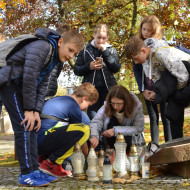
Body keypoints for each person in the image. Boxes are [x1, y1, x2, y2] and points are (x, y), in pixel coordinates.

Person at [0, 28, 84, 186]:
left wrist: (36, 111)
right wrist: (28, 109)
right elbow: (30, 79)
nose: (71, 56)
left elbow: (42, 85)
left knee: (32, 127)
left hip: (20, 86)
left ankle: (34, 170)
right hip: (9, 83)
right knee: (24, 126)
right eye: (70, 50)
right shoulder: (43, 47)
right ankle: (26, 174)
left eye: (75, 53)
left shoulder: (54, 58)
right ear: (60, 42)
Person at [125, 36, 190, 139]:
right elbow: (157, 79)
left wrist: (172, 92)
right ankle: (176, 145)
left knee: (177, 97)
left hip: (186, 71)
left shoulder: (161, 52)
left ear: (143, 50)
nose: (136, 62)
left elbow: (183, 76)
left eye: (136, 58)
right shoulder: (146, 60)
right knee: (171, 114)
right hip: (175, 79)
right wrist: (156, 92)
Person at [37, 82, 99, 177]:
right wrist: (89, 157)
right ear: (84, 99)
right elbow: (78, 139)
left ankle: (43, 159)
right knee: (84, 129)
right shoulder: (73, 106)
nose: (86, 108)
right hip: (44, 142)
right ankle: (52, 163)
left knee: (68, 127)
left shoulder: (59, 99)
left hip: (36, 144)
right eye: (89, 105)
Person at [132, 15, 172, 145]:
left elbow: (167, 70)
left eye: (149, 30)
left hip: (162, 88)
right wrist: (143, 90)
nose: (146, 33)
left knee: (166, 118)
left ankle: (169, 145)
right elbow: (137, 71)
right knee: (153, 118)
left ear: (155, 32)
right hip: (147, 88)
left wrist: (161, 90)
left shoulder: (161, 46)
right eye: (144, 29)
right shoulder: (137, 47)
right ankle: (155, 146)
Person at [74, 24, 121, 120]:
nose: (101, 41)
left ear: (107, 38)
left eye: (104, 38)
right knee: (93, 117)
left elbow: (116, 68)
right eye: (98, 37)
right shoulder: (85, 50)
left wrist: (105, 52)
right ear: (94, 36)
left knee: (109, 117)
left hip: (108, 89)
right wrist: (89, 67)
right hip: (91, 90)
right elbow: (77, 70)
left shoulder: (111, 50)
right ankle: (94, 135)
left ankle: (106, 135)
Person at [89, 85, 145, 153]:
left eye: (119, 104)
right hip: (110, 144)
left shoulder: (136, 107)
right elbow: (96, 122)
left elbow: (139, 128)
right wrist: (94, 136)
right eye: (113, 103)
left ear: (126, 102)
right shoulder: (107, 106)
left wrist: (115, 130)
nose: (115, 107)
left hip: (132, 144)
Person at [45, 24, 71, 100]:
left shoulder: (60, 52)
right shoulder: (48, 47)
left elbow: (57, 72)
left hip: (49, 89)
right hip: (43, 89)